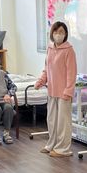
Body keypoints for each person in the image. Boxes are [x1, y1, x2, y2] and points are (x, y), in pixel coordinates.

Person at [35, 21, 76, 158]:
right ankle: (51, 144)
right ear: (52, 33)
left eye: (62, 33)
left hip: (64, 93)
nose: (59, 35)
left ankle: (63, 149)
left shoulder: (69, 50)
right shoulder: (50, 48)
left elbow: (72, 73)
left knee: (63, 123)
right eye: (56, 32)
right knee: (51, 121)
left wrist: (68, 91)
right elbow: (47, 68)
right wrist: (41, 81)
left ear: (66, 35)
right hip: (52, 91)